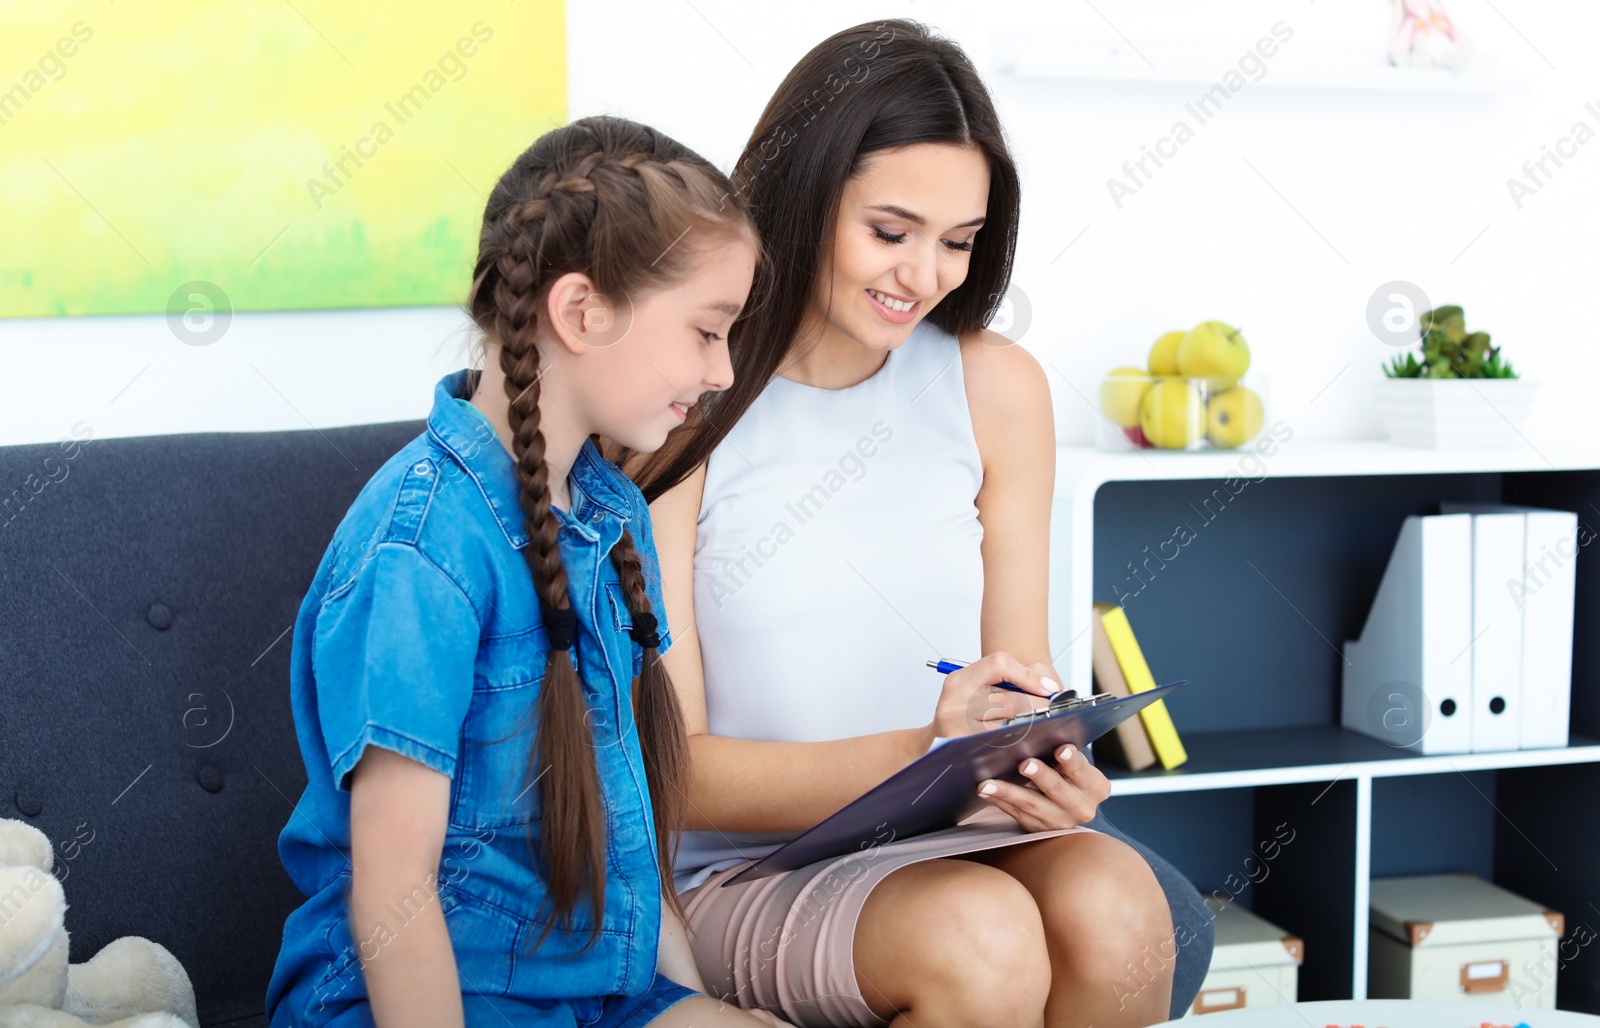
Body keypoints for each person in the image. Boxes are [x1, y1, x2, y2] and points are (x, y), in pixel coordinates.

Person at [626, 22, 1211, 1028]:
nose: (923, 273)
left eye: (958, 241)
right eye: (890, 232)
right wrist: (920, 744)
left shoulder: (995, 389)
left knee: (1123, 904)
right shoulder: (688, 404)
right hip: (744, 867)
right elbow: (674, 774)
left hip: (949, 834)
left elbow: (1013, 686)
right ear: (804, 198)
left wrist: (1040, 772)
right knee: (977, 935)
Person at [265, 115, 793, 1027]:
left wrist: (704, 1007)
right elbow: (396, 896)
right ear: (583, 312)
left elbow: (631, 833)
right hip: (431, 996)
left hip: (592, 989)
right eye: (708, 331)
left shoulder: (611, 515)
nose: (723, 370)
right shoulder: (421, 549)